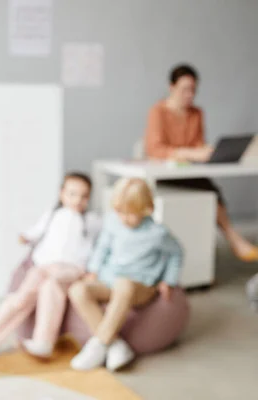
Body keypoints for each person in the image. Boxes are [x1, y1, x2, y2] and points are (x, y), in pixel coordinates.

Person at [0, 173, 102, 360]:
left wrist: (92, 270)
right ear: (62, 194)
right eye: (72, 194)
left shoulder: (92, 221)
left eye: (84, 196)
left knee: (51, 284)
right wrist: (26, 237)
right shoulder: (53, 214)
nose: (78, 200)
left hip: (71, 268)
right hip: (44, 265)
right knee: (23, 297)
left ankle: (43, 342)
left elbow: (101, 246)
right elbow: (36, 231)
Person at [145, 63, 258, 262]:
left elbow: (198, 143)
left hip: (191, 172)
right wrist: (187, 152)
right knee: (210, 192)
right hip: (167, 175)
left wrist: (206, 151)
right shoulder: (158, 111)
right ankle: (234, 239)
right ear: (171, 87)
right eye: (184, 89)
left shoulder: (196, 113)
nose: (189, 94)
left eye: (193, 90)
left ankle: (223, 246)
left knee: (210, 191)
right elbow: (154, 148)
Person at [68, 177, 182, 372]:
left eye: (130, 214)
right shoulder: (113, 223)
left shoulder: (158, 233)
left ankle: (99, 344)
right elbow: (102, 247)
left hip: (140, 286)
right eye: (120, 212)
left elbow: (176, 253)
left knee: (124, 284)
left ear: (146, 209)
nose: (123, 218)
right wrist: (93, 269)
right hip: (109, 281)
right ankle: (115, 345)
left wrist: (168, 281)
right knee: (77, 290)